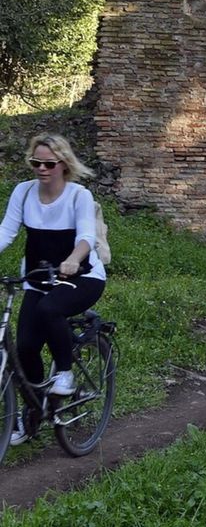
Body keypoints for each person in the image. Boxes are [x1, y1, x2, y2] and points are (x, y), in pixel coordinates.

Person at [0, 134, 108, 446]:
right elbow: (7, 231)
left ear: (63, 164)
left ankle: (65, 372)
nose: (42, 169)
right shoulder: (23, 192)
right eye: (36, 163)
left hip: (83, 277)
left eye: (49, 163)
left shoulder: (78, 196)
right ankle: (32, 414)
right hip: (38, 277)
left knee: (50, 309)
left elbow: (86, 235)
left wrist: (74, 259)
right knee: (25, 347)